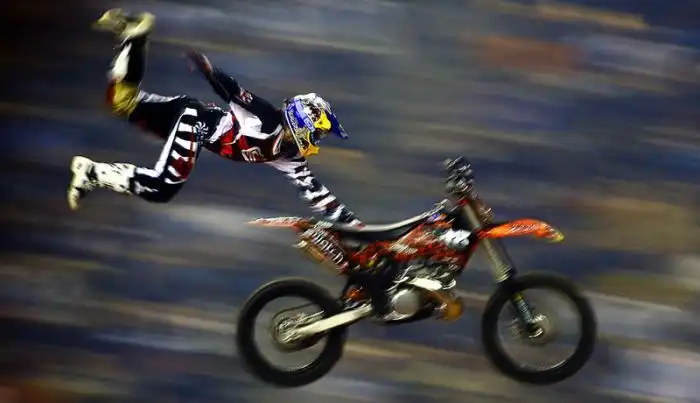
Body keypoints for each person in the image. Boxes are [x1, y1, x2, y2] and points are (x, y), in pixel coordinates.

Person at [67, 9, 361, 226]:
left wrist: (356, 226)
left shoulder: (289, 156)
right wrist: (208, 69)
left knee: (121, 101)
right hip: (194, 121)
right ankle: (93, 174)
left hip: (192, 117)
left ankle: (134, 37)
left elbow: (316, 194)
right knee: (163, 186)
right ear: (301, 122)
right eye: (316, 132)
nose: (316, 140)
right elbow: (232, 90)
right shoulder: (265, 118)